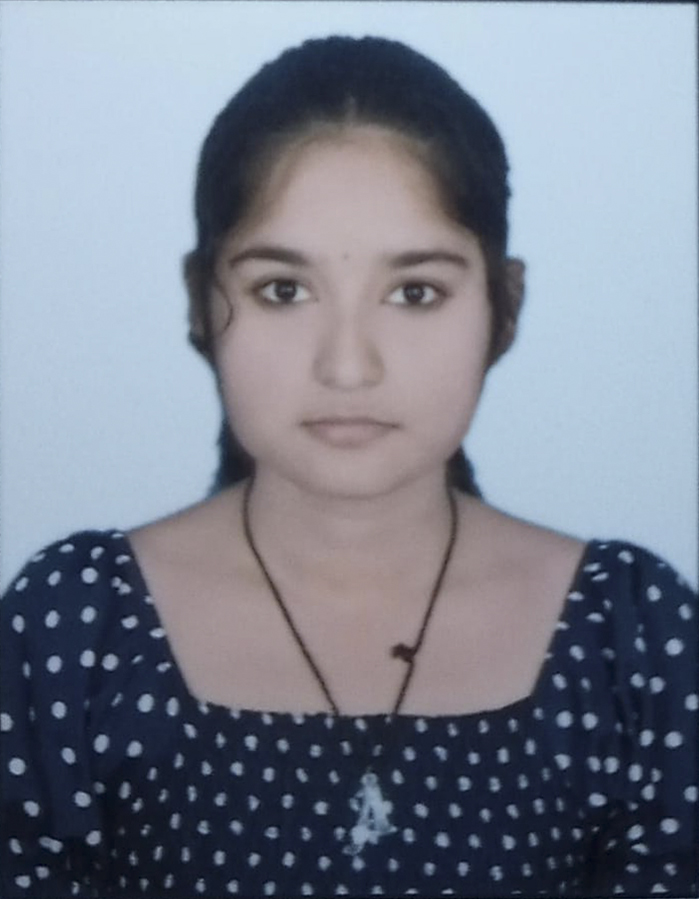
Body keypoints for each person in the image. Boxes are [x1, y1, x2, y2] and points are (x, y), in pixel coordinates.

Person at [1, 34, 696, 899]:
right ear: (200, 301)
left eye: (414, 292)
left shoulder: (630, 639)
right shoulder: (76, 627)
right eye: (283, 290)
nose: (347, 367)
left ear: (504, 305)